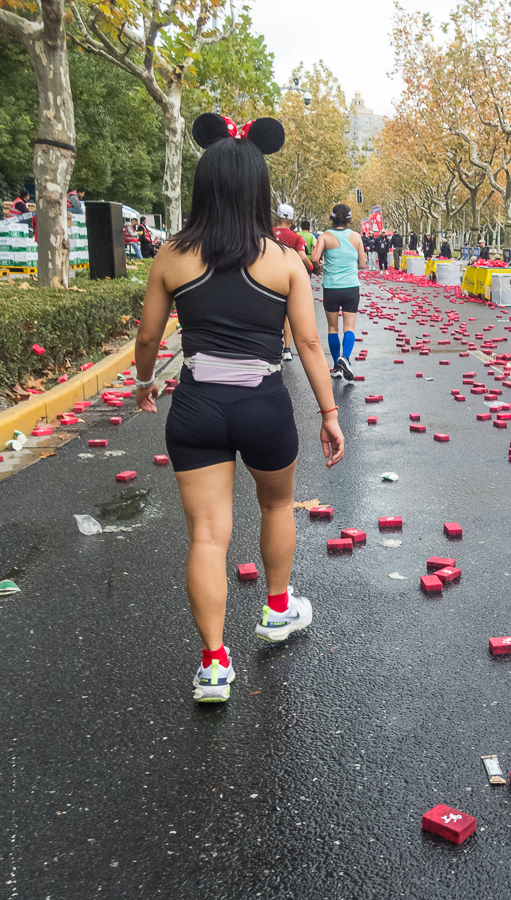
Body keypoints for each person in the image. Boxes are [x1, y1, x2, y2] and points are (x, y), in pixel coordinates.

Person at [131, 111, 345, 703]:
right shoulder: (283, 262)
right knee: (277, 506)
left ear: (204, 185)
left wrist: (146, 383)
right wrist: (329, 413)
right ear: (260, 190)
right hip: (263, 405)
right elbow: (308, 344)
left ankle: (214, 665)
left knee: (207, 534)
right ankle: (278, 611)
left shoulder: (172, 257)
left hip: (196, 404)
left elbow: (149, 339)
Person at [311, 202, 367, 380]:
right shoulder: (357, 237)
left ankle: (337, 366)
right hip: (351, 287)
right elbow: (363, 264)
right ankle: (346, 359)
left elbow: (314, 258)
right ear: (349, 219)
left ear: (332, 218)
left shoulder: (325, 237)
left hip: (331, 288)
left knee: (332, 328)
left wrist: (319, 265)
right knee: (349, 327)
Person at [273, 203, 315, 362]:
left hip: (267, 278)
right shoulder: (296, 237)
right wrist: (312, 267)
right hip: (288, 280)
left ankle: (274, 347)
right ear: (291, 221)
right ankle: (287, 350)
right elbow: (303, 257)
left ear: (276, 218)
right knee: (287, 317)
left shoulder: (265, 234)